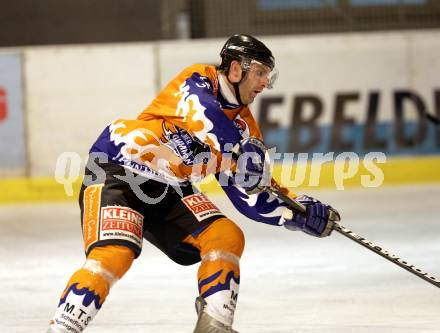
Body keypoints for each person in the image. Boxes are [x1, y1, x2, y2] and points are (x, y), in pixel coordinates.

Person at [47, 34, 339, 333]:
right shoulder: (198, 79)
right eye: (260, 73)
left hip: (170, 188)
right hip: (117, 170)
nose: (265, 83)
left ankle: (214, 324)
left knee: (226, 236)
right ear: (236, 70)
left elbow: (249, 195)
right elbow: (204, 115)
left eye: (268, 75)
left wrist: (297, 212)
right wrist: (238, 151)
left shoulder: (244, 128)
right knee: (114, 254)